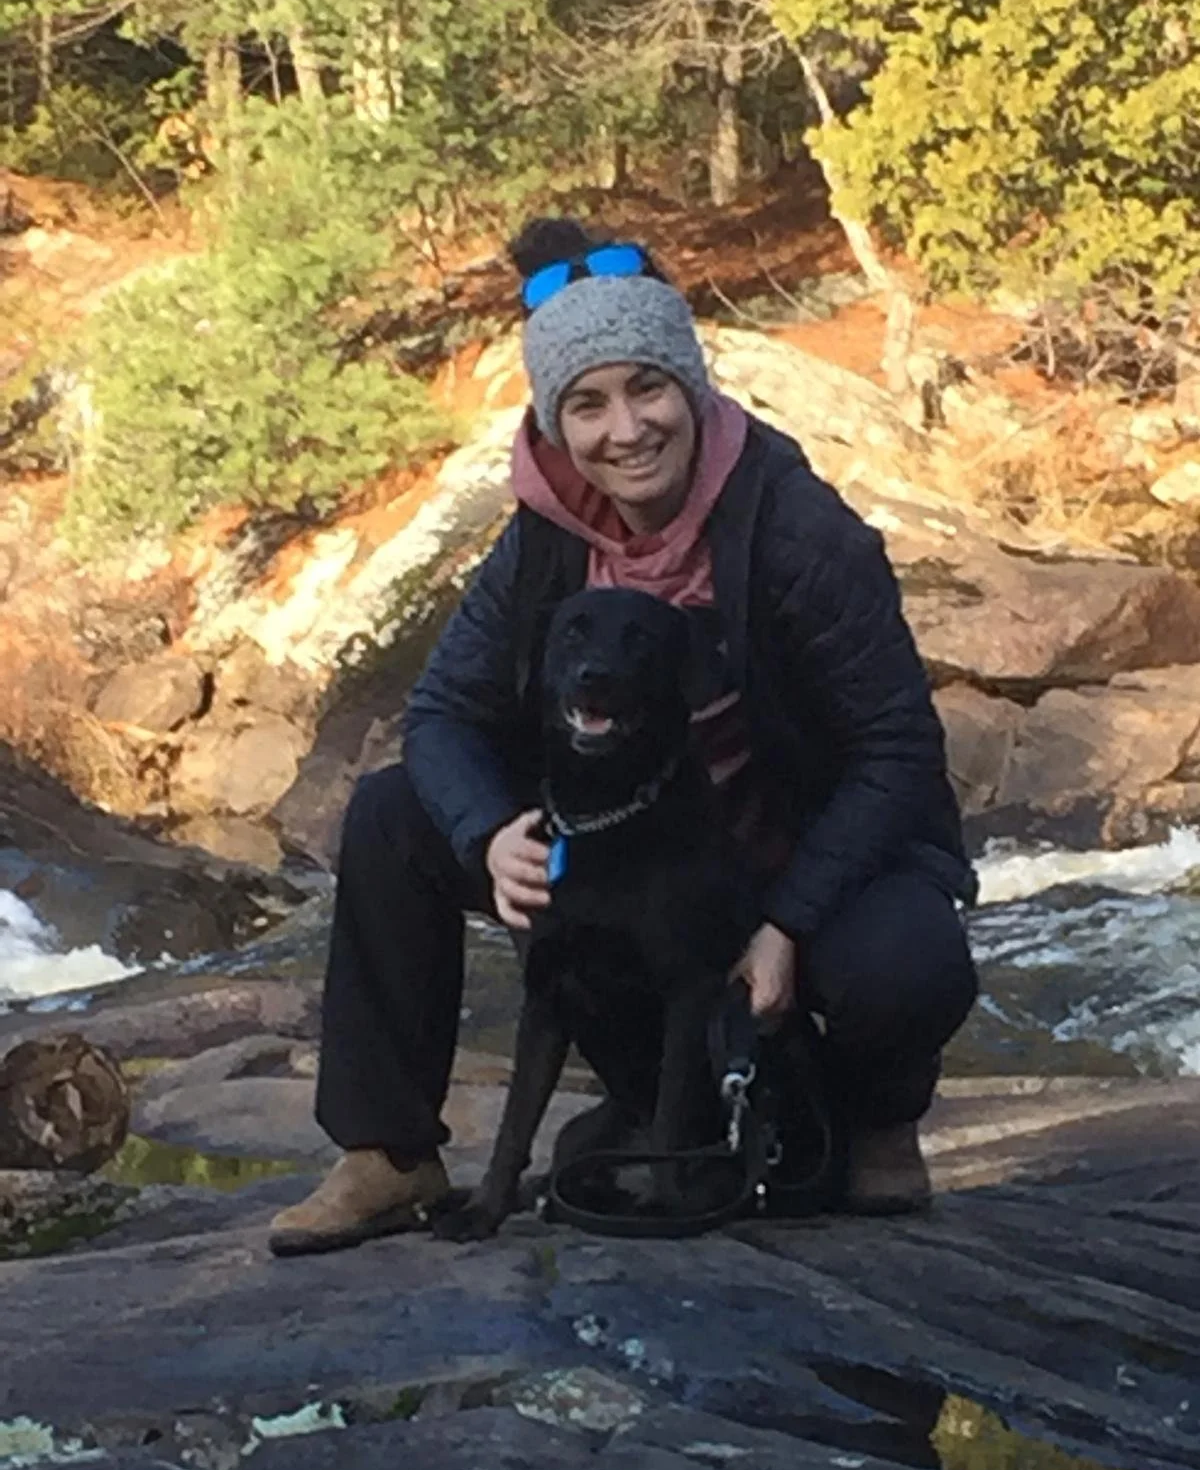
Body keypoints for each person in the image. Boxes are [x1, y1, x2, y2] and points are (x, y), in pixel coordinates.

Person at [268, 218, 979, 1257]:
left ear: (690, 390)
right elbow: (441, 712)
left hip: (797, 840)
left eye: (648, 389)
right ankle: (389, 1150)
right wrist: (484, 832)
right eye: (587, 404)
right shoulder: (545, 533)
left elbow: (898, 751)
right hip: (630, 844)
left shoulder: (796, 528)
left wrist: (786, 919)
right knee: (390, 812)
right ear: (555, 424)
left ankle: (875, 1122)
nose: (625, 430)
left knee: (905, 962)